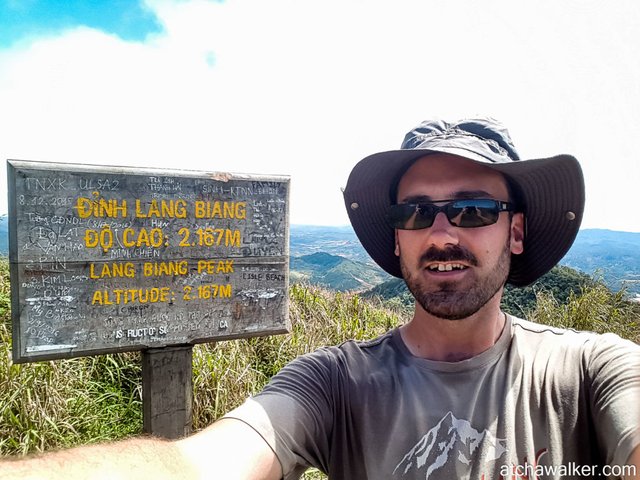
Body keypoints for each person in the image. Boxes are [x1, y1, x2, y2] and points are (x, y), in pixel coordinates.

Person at [2, 118, 639, 479]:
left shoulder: (589, 371)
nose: (441, 234)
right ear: (396, 239)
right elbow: (198, 466)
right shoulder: (334, 384)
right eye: (416, 213)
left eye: (472, 210)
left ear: (517, 231)